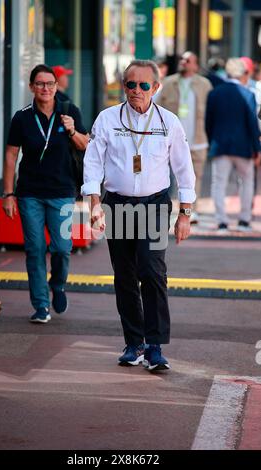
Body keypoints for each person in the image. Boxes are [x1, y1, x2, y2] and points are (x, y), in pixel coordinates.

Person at [81, 59, 196, 371]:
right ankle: (134, 343)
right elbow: (92, 163)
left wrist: (185, 213)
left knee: (152, 270)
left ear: (155, 88)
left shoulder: (169, 122)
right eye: (130, 84)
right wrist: (93, 203)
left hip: (155, 204)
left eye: (144, 85)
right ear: (123, 86)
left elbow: (184, 170)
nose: (136, 90)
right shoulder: (107, 119)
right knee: (126, 275)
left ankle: (155, 346)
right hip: (116, 203)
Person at [3, 64, 89, 323]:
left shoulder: (69, 111)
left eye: (50, 83)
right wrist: (8, 194)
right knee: (35, 248)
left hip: (62, 191)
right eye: (40, 83)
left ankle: (58, 284)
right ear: (31, 87)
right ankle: (41, 305)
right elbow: (10, 154)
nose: (45, 88)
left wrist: (72, 129)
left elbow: (86, 145)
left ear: (56, 86)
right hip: (30, 193)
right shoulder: (22, 117)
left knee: (63, 248)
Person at [206, 58, 261, 232]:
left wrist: (211, 141)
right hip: (243, 146)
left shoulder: (215, 93)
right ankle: (244, 220)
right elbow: (252, 124)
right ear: (242, 75)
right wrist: (257, 148)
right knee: (246, 182)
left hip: (220, 145)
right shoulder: (247, 94)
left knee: (219, 183)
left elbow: (209, 122)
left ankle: (222, 221)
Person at [155, 51, 212, 224]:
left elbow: (212, 111)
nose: (183, 63)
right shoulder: (169, 82)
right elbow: (155, 107)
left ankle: (191, 210)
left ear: (195, 65)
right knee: (170, 176)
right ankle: (173, 208)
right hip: (172, 141)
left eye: (188, 60)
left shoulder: (204, 84)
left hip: (198, 139)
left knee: (196, 176)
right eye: (182, 60)